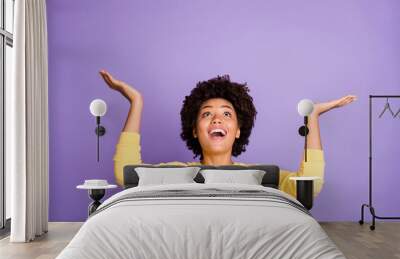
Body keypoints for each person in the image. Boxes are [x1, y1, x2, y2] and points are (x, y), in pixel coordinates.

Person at [99, 70, 357, 198]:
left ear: (237, 130)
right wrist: (136, 101)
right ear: (194, 130)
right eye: (206, 114)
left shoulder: (264, 176)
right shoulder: (175, 171)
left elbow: (309, 186)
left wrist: (312, 117)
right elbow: (126, 174)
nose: (216, 119)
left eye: (226, 114)